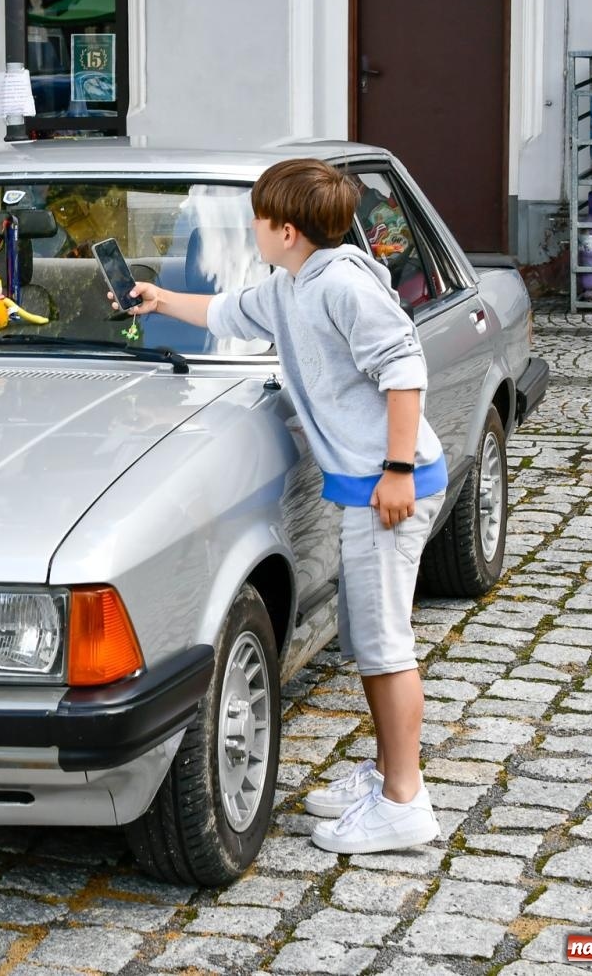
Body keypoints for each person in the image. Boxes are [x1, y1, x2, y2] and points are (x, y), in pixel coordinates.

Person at [116, 157, 447, 855]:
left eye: (259, 221)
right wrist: (157, 298)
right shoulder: (294, 281)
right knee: (368, 641)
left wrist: (393, 471)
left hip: (392, 488)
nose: (253, 230)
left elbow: (405, 371)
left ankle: (404, 800)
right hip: (367, 489)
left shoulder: (346, 288)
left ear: (287, 230)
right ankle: (390, 774)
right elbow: (227, 311)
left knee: (386, 650)